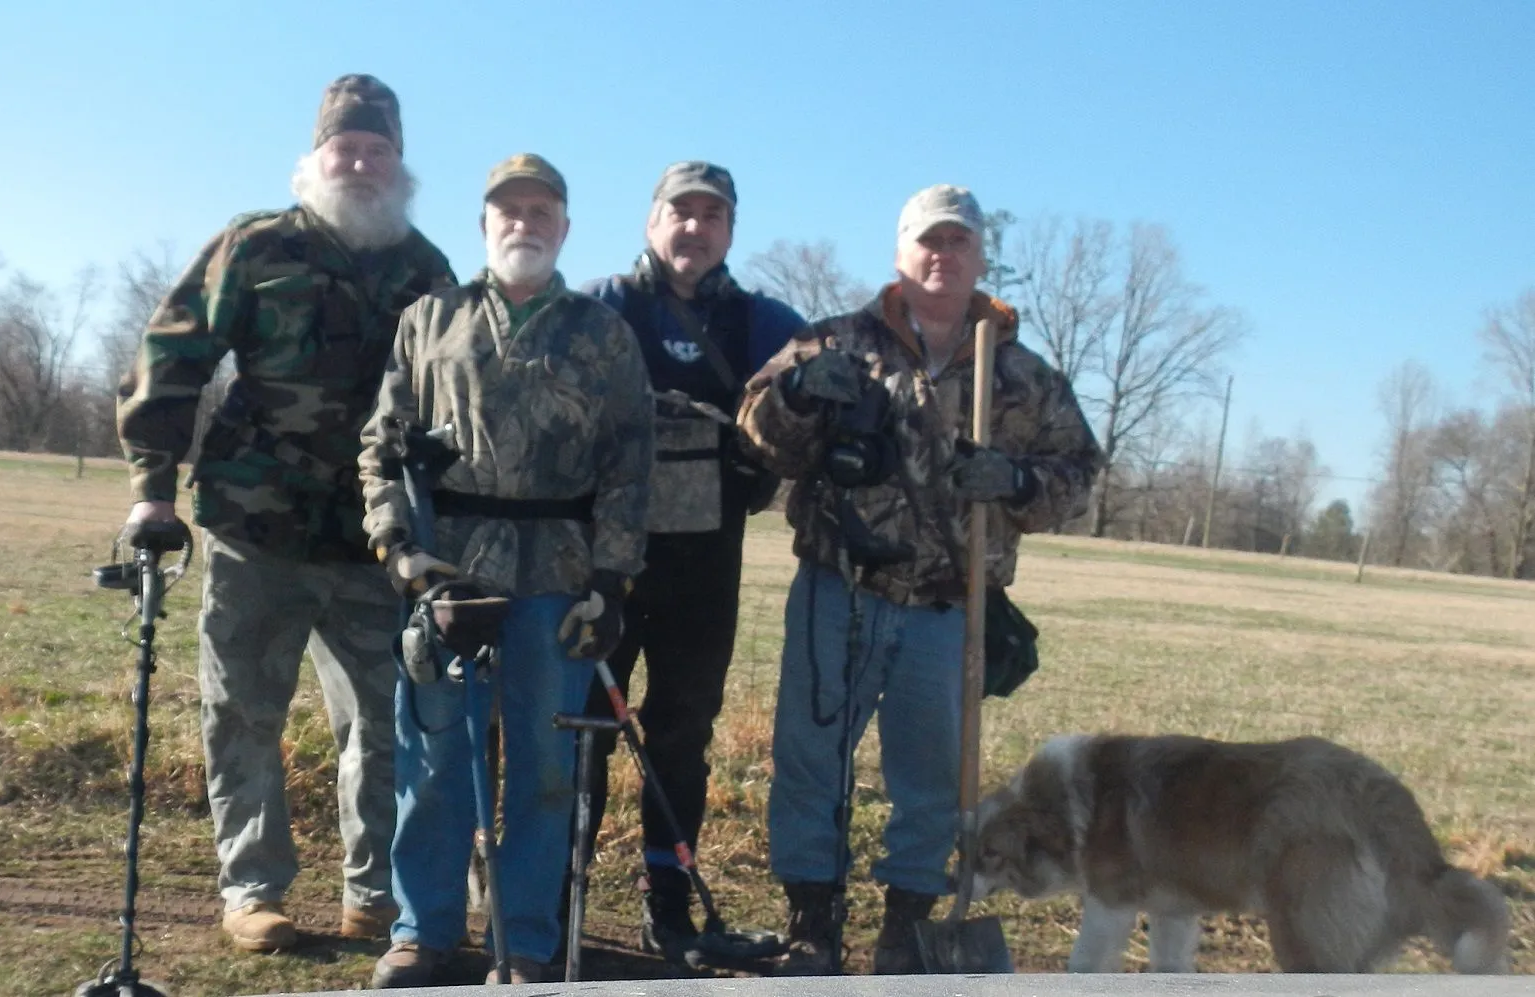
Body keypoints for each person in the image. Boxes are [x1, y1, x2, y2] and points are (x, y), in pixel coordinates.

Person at [114, 74, 454, 952]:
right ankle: (252, 890)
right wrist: (152, 485)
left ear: (399, 164)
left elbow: (453, 402)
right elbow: (171, 354)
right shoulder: (254, 245)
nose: (363, 162)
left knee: (385, 725)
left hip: (372, 542)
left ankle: (373, 892)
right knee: (244, 715)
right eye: (348, 146)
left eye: (379, 150)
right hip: (252, 527)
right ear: (317, 157)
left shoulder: (426, 270)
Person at [735, 184, 1103, 975]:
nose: (943, 256)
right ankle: (812, 921)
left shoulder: (1021, 375)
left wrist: (1012, 480)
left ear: (979, 258)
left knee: (931, 777)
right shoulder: (834, 342)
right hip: (836, 589)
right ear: (901, 253)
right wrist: (797, 395)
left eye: (958, 243)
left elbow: (1080, 474)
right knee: (808, 760)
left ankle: (906, 923)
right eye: (928, 241)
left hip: (946, 605)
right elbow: (757, 430)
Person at [360, 153, 655, 987]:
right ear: (483, 223)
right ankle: (424, 931)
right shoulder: (429, 319)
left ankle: (524, 939)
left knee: (546, 769)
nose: (523, 222)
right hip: (449, 578)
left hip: (558, 583)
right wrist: (407, 556)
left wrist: (611, 579)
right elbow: (379, 448)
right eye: (507, 210)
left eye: (540, 210)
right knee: (433, 759)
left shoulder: (602, 333)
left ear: (563, 226)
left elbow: (633, 465)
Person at [574, 161, 805, 961]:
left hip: (704, 569)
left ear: (730, 232)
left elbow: (808, 422)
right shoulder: (599, 308)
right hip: (601, 562)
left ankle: (666, 905)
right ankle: (556, 896)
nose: (694, 228)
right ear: (651, 221)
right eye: (681, 212)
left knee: (680, 740)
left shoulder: (766, 322)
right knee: (582, 733)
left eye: (713, 216)